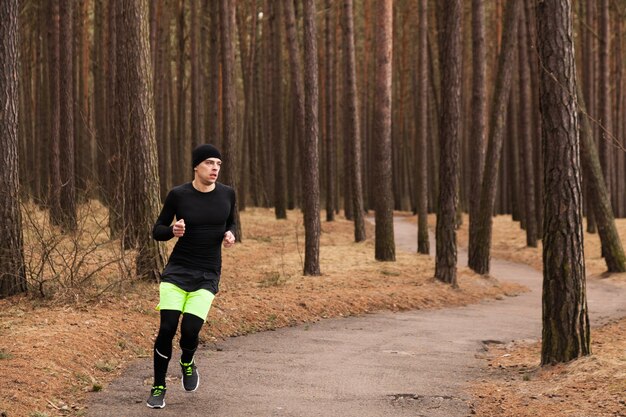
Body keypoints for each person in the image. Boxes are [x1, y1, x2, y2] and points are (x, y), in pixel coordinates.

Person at [146, 144, 236, 409]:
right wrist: (172, 230)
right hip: (177, 271)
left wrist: (231, 234)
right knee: (167, 327)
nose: (215, 169)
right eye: (209, 163)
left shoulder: (228, 194)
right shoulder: (178, 195)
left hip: (208, 273)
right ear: (196, 166)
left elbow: (231, 222)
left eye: (218, 164)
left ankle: (187, 360)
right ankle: (159, 386)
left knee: (190, 331)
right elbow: (157, 230)